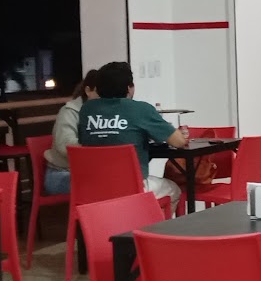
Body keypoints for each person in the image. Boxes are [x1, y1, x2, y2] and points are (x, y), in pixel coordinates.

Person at [77, 61, 188, 205]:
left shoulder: (86, 110)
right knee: (174, 190)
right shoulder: (140, 109)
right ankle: (143, 219)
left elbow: (84, 141)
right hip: (130, 188)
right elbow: (178, 142)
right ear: (129, 88)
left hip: (93, 188)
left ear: (98, 88)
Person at [42, 69, 98, 195]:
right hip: (61, 174)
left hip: (88, 173)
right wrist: (96, 147)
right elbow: (65, 146)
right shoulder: (69, 112)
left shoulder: (103, 113)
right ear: (88, 91)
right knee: (103, 186)